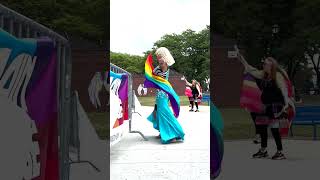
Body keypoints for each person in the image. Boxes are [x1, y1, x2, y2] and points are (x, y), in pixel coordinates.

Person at [235, 45, 290, 160]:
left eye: (265, 64)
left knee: (274, 129)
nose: (263, 65)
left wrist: (286, 103)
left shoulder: (277, 76)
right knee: (262, 127)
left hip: (275, 106)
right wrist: (241, 58)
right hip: (264, 106)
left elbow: (284, 89)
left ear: (271, 65)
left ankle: (280, 152)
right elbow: (251, 69)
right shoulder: (263, 75)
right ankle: (263, 150)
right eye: (264, 63)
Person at [147, 47, 185, 144]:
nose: (158, 58)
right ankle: (162, 131)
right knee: (159, 112)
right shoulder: (160, 66)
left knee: (165, 113)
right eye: (157, 56)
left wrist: (162, 61)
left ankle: (173, 134)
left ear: (163, 56)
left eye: (159, 55)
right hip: (160, 93)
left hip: (163, 93)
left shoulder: (163, 65)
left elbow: (160, 68)